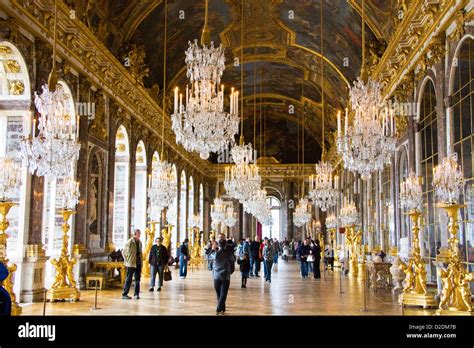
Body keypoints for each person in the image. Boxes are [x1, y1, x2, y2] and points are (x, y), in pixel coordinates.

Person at [208, 239, 235, 315]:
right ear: (226, 245)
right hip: (226, 276)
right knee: (223, 293)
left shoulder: (215, 254)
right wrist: (230, 272)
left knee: (219, 294)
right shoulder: (229, 254)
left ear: (218, 245)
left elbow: (208, 257)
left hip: (216, 276)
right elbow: (232, 264)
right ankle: (220, 308)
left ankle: (221, 308)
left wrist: (212, 250)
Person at [122, 229, 143, 299]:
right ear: (134, 234)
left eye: (140, 233)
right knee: (129, 279)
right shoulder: (130, 242)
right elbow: (124, 252)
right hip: (131, 263)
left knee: (137, 279)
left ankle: (136, 294)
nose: (139, 235)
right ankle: (124, 294)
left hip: (138, 262)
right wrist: (127, 260)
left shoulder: (140, 242)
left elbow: (140, 253)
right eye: (138, 233)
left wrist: (141, 262)